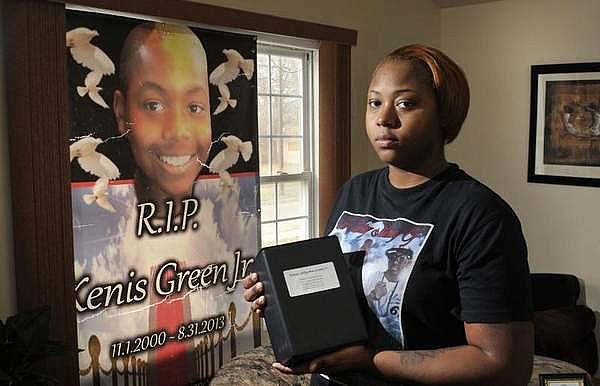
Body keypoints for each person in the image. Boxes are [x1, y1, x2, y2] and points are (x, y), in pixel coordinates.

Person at [244, 44, 534, 386]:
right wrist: (285, 303)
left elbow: (502, 365)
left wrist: (371, 361)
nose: (384, 118)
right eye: (374, 102)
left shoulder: (480, 215)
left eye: (405, 103)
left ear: (445, 113)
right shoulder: (354, 192)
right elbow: (336, 298)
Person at [113, 22, 212, 216]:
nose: (177, 131)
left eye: (194, 107)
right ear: (121, 112)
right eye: (154, 106)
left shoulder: (228, 222)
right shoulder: (101, 229)